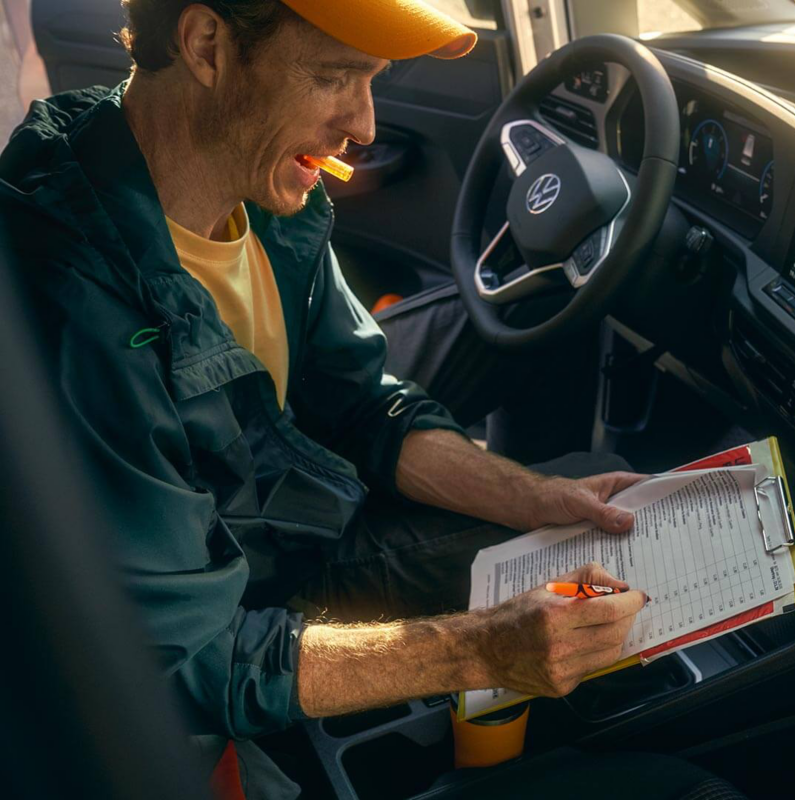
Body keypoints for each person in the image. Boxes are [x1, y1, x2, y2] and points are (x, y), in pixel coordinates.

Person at [0, 1, 650, 795]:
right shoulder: (75, 303)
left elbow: (363, 405)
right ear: (207, 45)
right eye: (334, 76)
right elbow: (185, 660)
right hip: (228, 609)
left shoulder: (267, 189)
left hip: (293, 502)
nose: (366, 126)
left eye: (372, 81)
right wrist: (481, 649)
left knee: (596, 525)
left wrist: (542, 496)